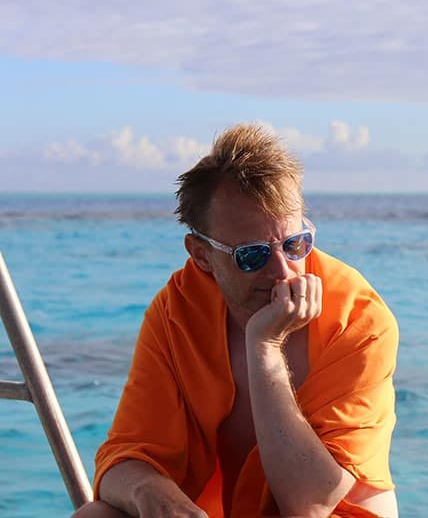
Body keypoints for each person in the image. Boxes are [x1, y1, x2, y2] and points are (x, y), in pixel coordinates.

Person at [75, 123, 399, 518]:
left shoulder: (358, 318)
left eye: (295, 244)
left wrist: (264, 346)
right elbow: (123, 457)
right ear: (202, 255)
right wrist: (152, 494)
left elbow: (310, 503)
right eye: (252, 255)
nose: (283, 271)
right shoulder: (178, 310)